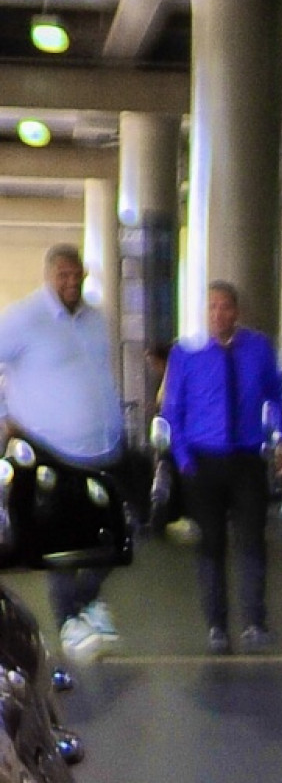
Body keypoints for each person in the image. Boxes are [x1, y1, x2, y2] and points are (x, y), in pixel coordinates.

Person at [0, 240, 129, 667]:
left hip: (104, 448)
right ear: (49, 275)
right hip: (50, 448)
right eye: (63, 276)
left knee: (114, 533)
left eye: (77, 276)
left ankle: (86, 604)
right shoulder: (23, 319)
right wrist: (6, 417)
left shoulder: (97, 320)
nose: (71, 283)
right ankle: (70, 621)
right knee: (62, 537)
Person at [156, 280, 282, 652]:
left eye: (225, 307)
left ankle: (255, 622)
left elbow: (275, 396)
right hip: (203, 461)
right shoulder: (186, 353)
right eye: (212, 307)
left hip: (246, 459)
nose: (218, 314)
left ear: (237, 312)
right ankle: (216, 625)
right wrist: (183, 461)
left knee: (252, 543)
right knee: (211, 545)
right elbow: (172, 412)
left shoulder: (258, 348)